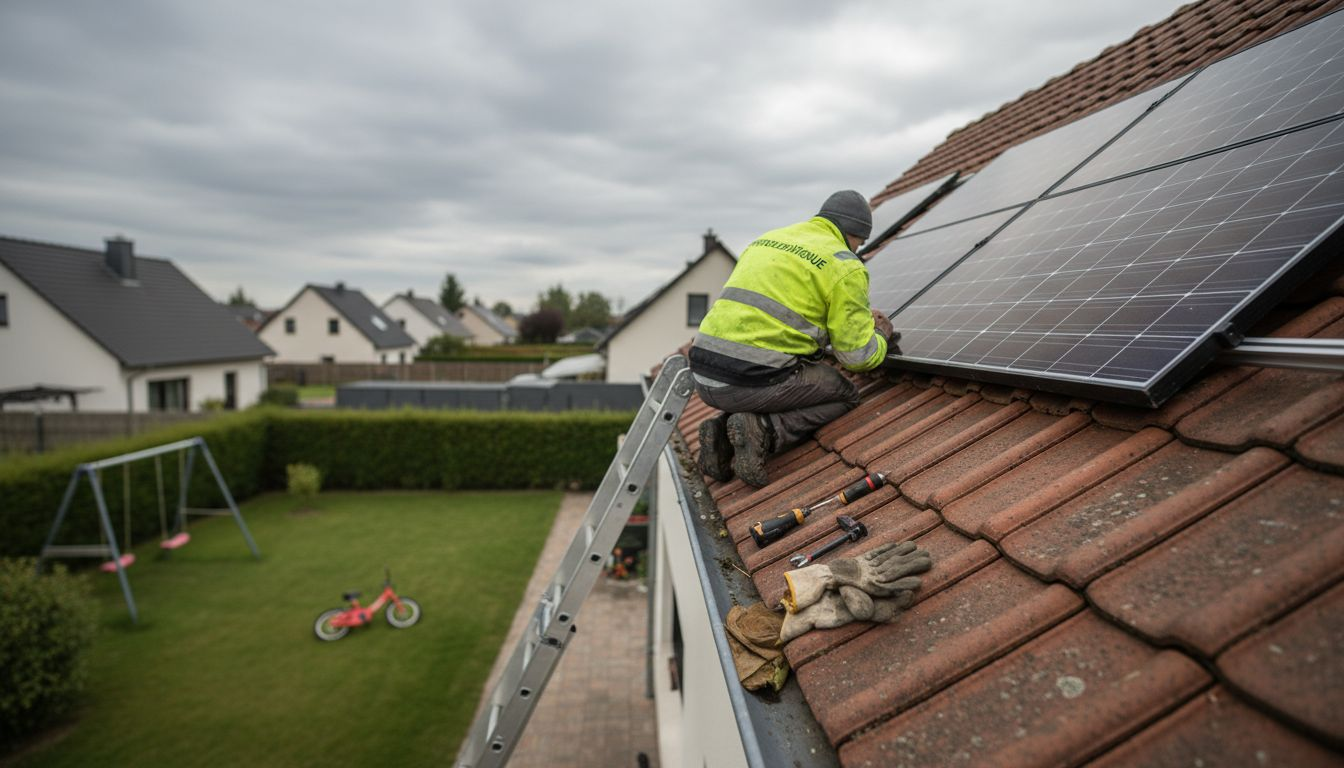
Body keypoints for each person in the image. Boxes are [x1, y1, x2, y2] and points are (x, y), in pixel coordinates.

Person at [690, 190, 895, 487]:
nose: (857, 250)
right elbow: (857, 356)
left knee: (774, 367)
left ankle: (721, 436)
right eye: (859, 243)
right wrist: (879, 336)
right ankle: (764, 431)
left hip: (703, 376)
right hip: (747, 383)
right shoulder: (844, 264)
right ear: (853, 234)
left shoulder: (770, 239)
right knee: (845, 393)